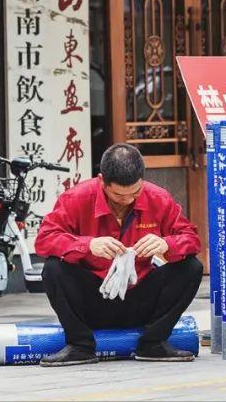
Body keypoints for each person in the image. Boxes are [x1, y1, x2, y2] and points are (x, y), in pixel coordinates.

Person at [34, 143, 202, 367]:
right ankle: (80, 345)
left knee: (192, 268)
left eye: (135, 193)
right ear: (102, 181)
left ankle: (153, 343)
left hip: (140, 299)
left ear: (142, 179)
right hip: (92, 300)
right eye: (118, 195)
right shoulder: (76, 198)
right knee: (54, 268)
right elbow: (44, 240)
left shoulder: (158, 198)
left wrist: (166, 244)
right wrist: (88, 245)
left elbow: (191, 239)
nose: (128, 200)